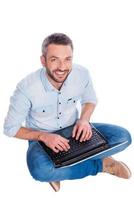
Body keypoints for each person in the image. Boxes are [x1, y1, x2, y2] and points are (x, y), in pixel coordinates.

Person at [4, 33, 132, 192]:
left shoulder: (81, 73)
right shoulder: (26, 88)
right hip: (41, 138)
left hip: (74, 130)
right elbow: (10, 129)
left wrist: (84, 120)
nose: (62, 67)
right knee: (40, 171)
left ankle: (61, 167)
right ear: (43, 60)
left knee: (124, 138)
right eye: (54, 59)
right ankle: (100, 165)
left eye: (67, 59)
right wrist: (43, 136)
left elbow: (90, 100)